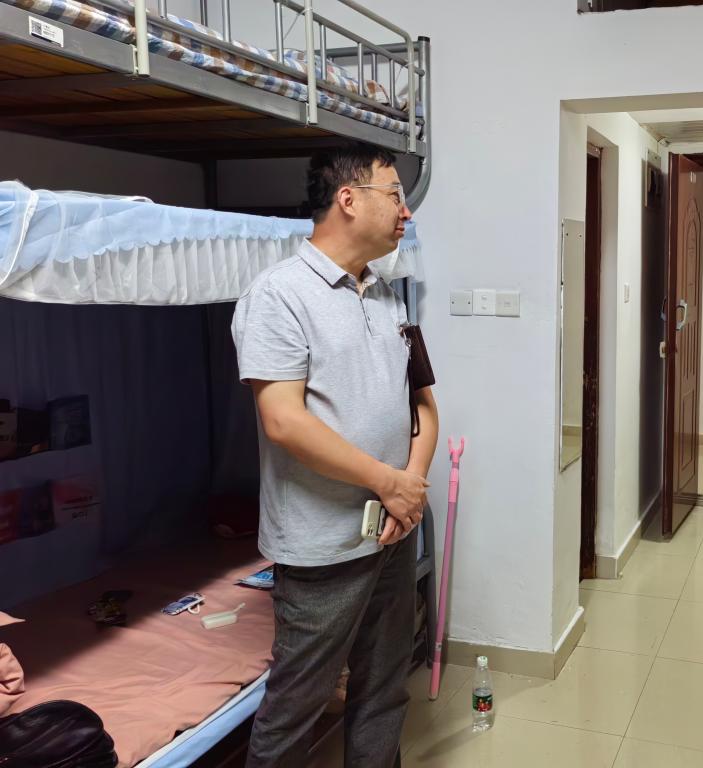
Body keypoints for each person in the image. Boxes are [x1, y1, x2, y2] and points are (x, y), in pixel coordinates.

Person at [231, 140, 439, 767]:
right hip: (322, 548)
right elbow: (283, 421)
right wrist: (389, 483)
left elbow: (423, 406)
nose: (406, 210)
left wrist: (409, 486)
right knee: (295, 708)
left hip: (391, 533)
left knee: (383, 691)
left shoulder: (387, 294)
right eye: (395, 195)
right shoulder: (279, 295)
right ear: (348, 198)